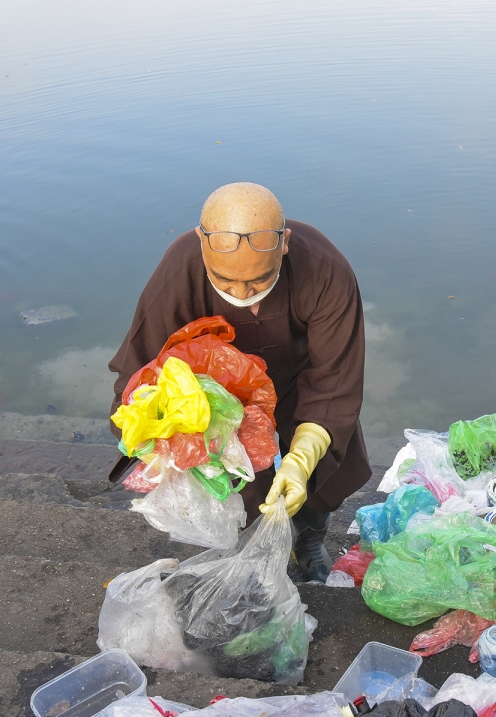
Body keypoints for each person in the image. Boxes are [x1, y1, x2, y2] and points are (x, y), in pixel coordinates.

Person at [108, 182, 371, 581]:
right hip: (220, 393)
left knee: (323, 472)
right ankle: (258, 556)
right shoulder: (179, 269)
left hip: (300, 377)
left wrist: (300, 461)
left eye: (260, 280)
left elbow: (336, 378)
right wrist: (159, 429)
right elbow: (143, 366)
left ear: (284, 244)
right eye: (225, 281)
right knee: (241, 484)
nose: (244, 293)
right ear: (201, 242)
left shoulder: (325, 269)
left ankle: (309, 540)